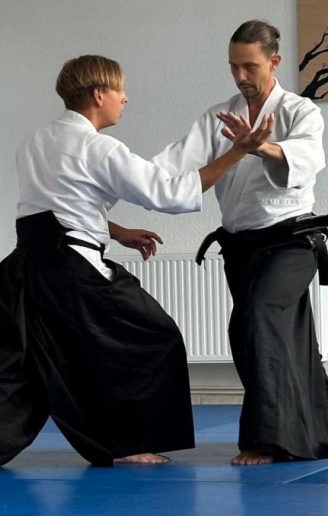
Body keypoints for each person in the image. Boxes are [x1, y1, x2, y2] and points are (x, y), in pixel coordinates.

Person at [0, 55, 272, 473]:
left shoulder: (36, 141)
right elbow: (169, 193)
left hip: (25, 270)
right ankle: (126, 443)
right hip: (71, 271)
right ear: (98, 94)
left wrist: (117, 231)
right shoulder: (98, 147)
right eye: (119, 90)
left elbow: (58, 207)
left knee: (6, 363)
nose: (124, 98)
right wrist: (239, 151)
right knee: (153, 335)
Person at [153, 20, 328, 466]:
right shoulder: (220, 117)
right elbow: (173, 162)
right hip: (240, 247)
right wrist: (116, 171)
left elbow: (308, 159)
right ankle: (316, 429)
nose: (240, 76)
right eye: (233, 67)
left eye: (249, 66)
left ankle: (265, 439)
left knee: (260, 317)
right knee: (265, 331)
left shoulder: (298, 111)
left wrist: (260, 148)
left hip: (291, 241)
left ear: (274, 62)